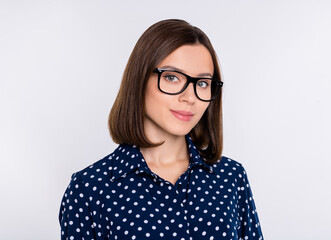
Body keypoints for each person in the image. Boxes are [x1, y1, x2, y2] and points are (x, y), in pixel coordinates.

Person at [59, 19, 263, 240]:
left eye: (203, 83)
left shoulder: (231, 177)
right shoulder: (90, 187)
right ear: (140, 78)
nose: (190, 97)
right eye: (172, 78)